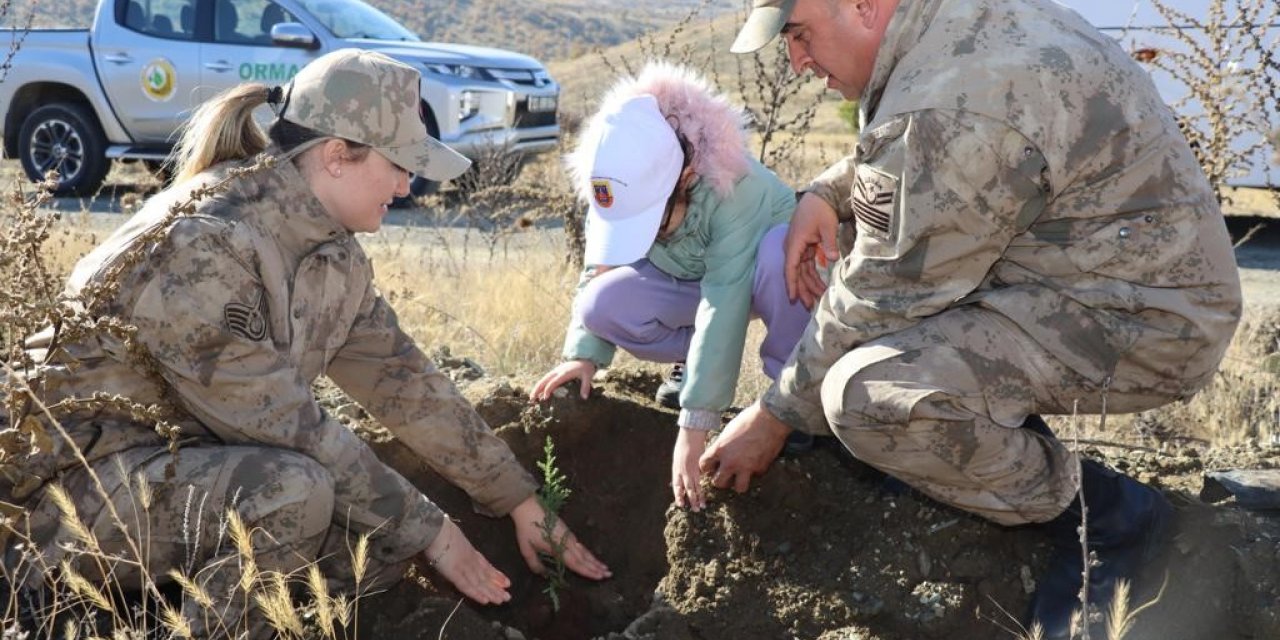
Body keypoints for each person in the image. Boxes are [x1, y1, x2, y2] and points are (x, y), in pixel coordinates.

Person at [0, 49, 608, 637]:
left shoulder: (329, 249)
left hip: (171, 476)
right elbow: (288, 428)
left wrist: (518, 499)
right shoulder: (201, 246)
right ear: (337, 155)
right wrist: (435, 533)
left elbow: (405, 382)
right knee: (298, 494)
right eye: (398, 164)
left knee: (370, 546)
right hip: (54, 507)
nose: (406, 184)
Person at [706, 0, 1242, 637]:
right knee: (871, 289)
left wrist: (774, 418)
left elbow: (879, 296)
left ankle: (1110, 520)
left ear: (863, 8)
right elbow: (932, 148)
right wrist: (828, 193)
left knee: (869, 396)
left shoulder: (946, 104)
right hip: (1115, 276)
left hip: (1144, 322)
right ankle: (993, 429)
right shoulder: (952, 23)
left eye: (800, 35)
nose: (796, 61)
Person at [528, 62, 812, 512]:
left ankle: (789, 401)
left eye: (652, 219)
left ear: (685, 177)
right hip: (684, 281)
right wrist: (583, 355)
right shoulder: (616, 172)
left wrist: (694, 425)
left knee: (783, 255)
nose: (650, 232)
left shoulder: (737, 189)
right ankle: (690, 361)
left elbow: (724, 301)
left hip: (757, 276)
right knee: (598, 306)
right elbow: (598, 268)